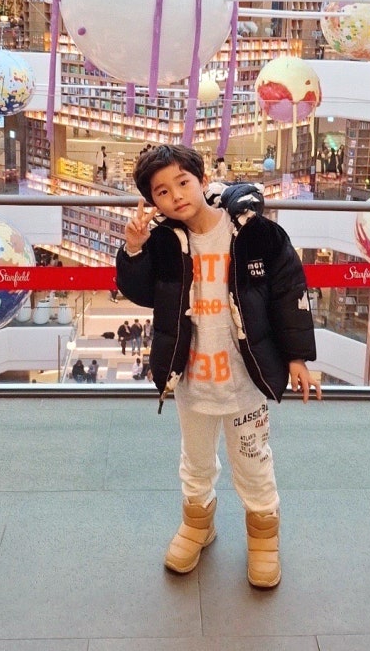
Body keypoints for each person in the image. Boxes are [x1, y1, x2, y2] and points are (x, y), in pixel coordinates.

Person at [116, 144, 321, 589]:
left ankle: (263, 538)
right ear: (153, 202)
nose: (176, 196)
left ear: (203, 180)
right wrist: (133, 249)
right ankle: (197, 525)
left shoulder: (253, 234)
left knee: (253, 462)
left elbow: (289, 292)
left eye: (182, 182)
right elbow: (141, 292)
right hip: (192, 382)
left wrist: (297, 357)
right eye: (162, 192)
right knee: (195, 463)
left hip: (246, 382)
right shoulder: (164, 243)